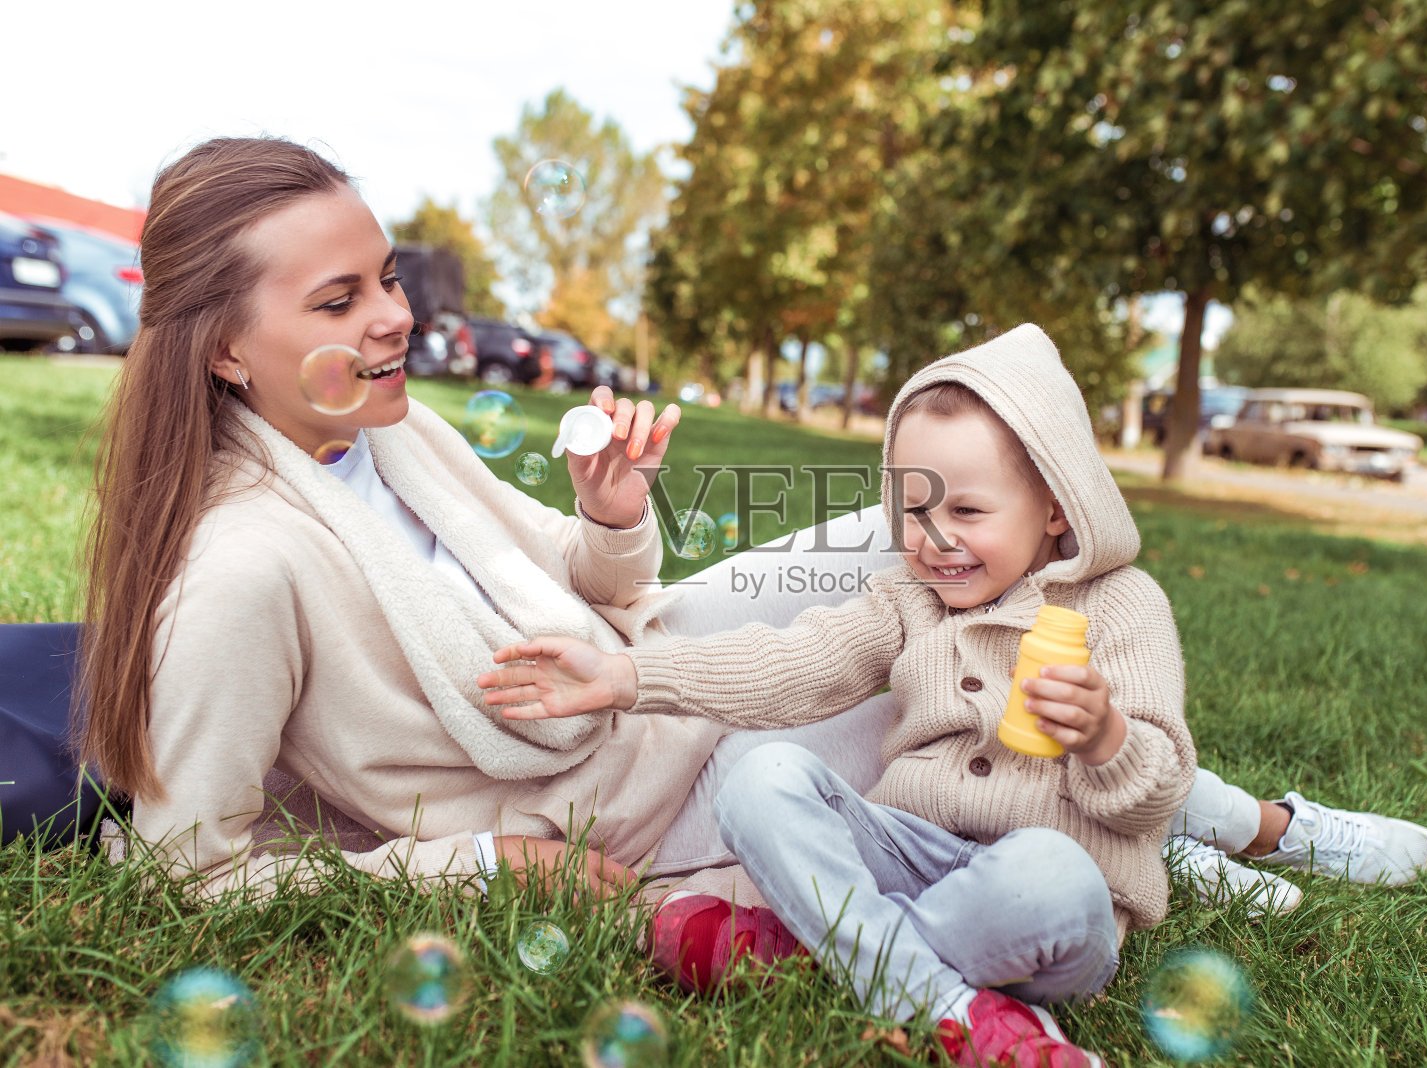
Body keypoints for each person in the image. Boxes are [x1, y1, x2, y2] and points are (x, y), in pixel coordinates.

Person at [72, 136, 898, 904]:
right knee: (941, 708)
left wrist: (609, 520)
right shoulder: (241, 567)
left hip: (631, 678)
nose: (396, 316)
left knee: (910, 531)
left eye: (388, 279)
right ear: (225, 350)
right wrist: (482, 862)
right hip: (622, 808)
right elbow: (183, 869)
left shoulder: (387, 432)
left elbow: (558, 576)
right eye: (338, 302)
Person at [481, 325, 1192, 1068]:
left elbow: (1157, 794)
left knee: (1051, 872)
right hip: (910, 852)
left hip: (1047, 906)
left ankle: (817, 954)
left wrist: (1104, 739)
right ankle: (946, 1006)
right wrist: (625, 676)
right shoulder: (910, 599)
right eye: (914, 510)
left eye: (967, 513)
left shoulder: (1122, 606)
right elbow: (794, 663)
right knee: (761, 778)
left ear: (1054, 506)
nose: (934, 539)